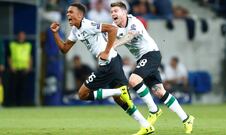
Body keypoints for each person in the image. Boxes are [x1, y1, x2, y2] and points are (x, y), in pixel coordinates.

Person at [50, 3, 154, 135]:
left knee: (82, 94)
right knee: (122, 100)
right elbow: (64, 49)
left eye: (71, 12)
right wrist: (55, 34)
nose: (67, 14)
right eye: (67, 12)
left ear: (80, 15)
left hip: (109, 62)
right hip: (113, 61)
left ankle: (117, 92)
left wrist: (106, 51)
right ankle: (145, 125)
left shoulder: (88, 25)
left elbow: (112, 29)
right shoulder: (76, 31)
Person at [110, 2, 194, 134]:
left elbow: (130, 36)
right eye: (112, 11)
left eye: (116, 11)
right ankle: (187, 119)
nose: (113, 14)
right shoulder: (114, 28)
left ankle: (154, 110)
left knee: (133, 80)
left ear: (124, 12)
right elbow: (105, 38)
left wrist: (115, 45)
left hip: (151, 54)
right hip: (142, 58)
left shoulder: (134, 22)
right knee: (159, 91)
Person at [8, 31, 33, 106]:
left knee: (23, 88)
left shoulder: (28, 45)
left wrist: (29, 67)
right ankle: (13, 103)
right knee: (14, 87)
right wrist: (11, 66)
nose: (21, 37)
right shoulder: (12, 45)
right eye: (20, 35)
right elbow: (9, 57)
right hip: (15, 69)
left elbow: (30, 57)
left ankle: (21, 104)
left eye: (23, 36)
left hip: (24, 69)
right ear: (18, 36)